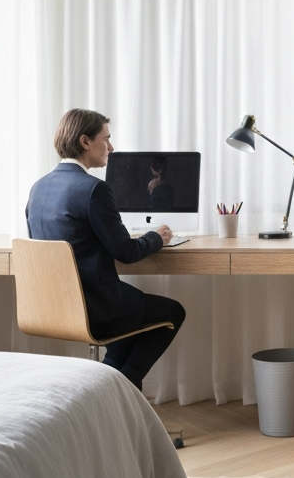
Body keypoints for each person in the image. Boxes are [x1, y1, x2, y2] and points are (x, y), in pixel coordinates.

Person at [25, 108, 186, 390]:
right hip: (96, 307)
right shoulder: (93, 189)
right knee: (173, 312)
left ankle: (105, 393)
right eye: (106, 139)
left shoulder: (38, 188)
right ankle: (125, 388)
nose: (111, 147)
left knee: (129, 326)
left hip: (56, 305)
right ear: (85, 142)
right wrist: (157, 238)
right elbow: (126, 252)